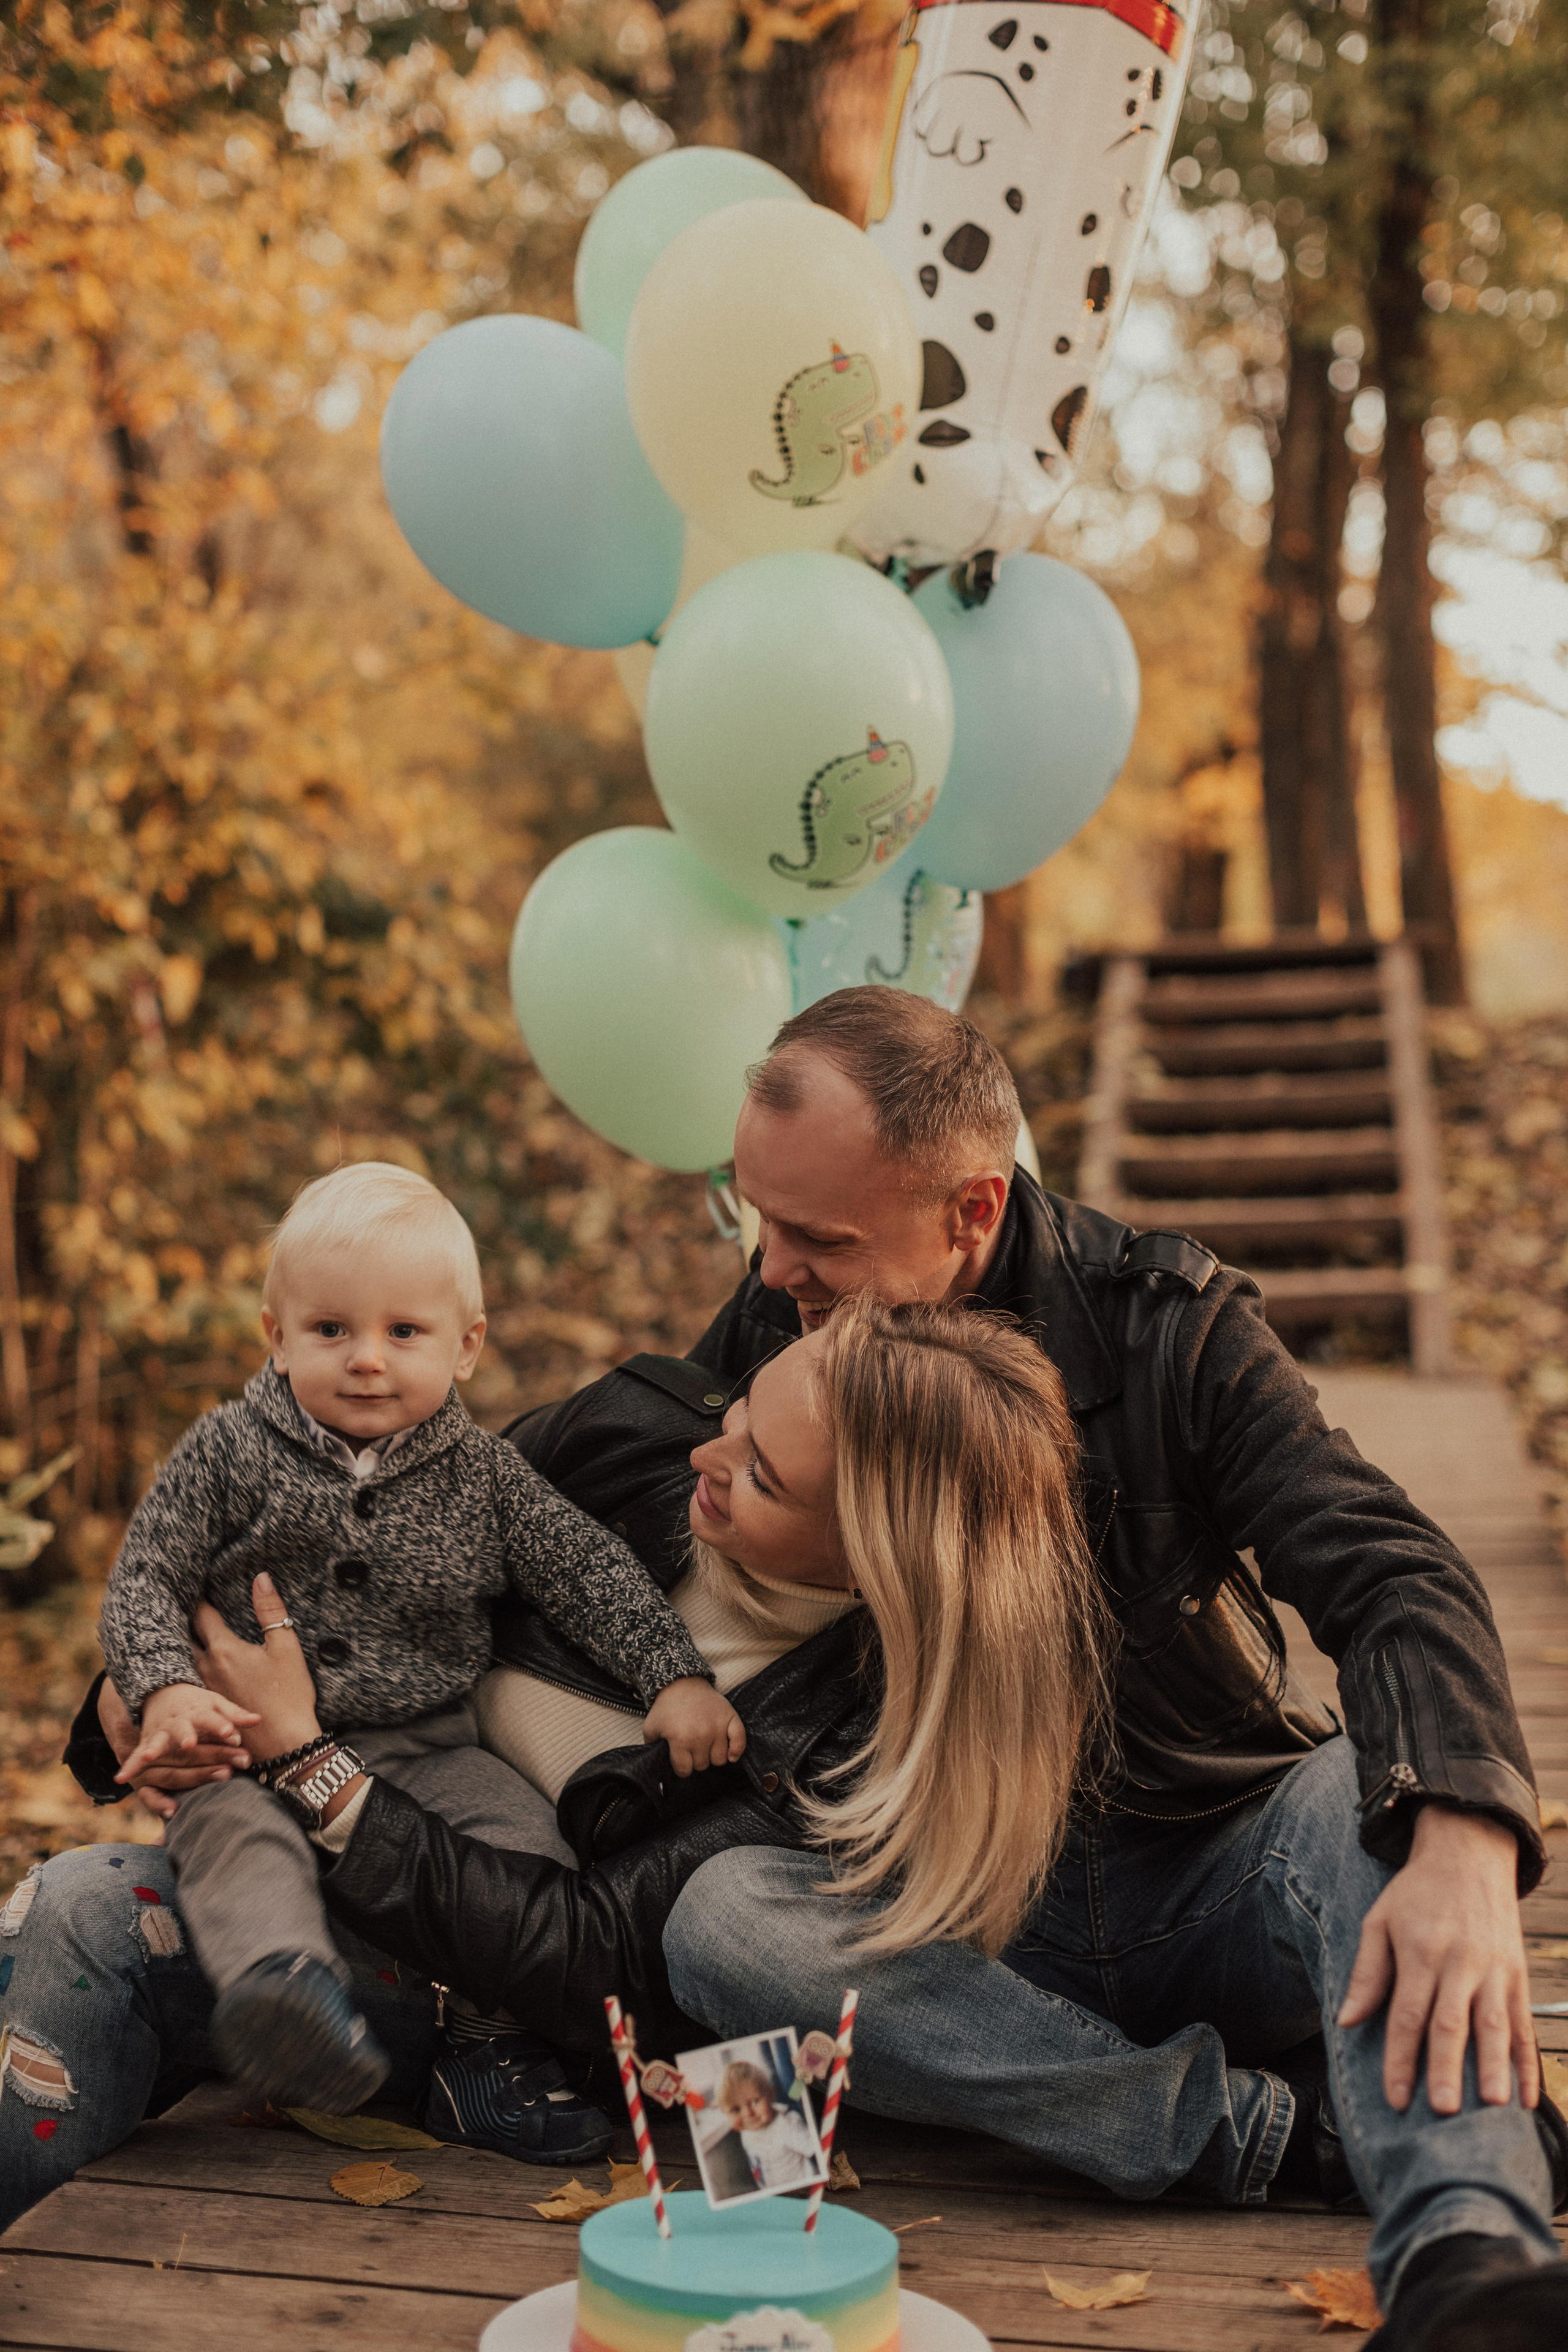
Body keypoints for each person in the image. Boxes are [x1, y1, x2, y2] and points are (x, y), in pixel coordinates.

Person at [657, 987, 1566, 2352]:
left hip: (1216, 1868)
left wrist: (1462, 1841)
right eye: (756, 1219)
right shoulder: (779, 1322)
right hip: (968, 1918)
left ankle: (1466, 2257)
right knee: (723, 1918)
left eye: (818, 1238)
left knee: (1368, 1806)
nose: (770, 1270)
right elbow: (609, 1513)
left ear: (971, 1210)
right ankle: (1254, 2134)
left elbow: (1391, 1571)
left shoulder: (1167, 1327)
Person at [2, 1297, 1101, 2241]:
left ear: (876, 1560)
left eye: (760, 1475)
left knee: (91, 1911)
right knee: (66, 1913)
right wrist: (144, 1700)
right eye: (738, 1412)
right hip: (314, 1887)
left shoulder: (851, 1728)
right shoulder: (633, 1430)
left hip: (558, 2034)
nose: (705, 1457)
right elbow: (319, 1559)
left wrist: (309, 1759)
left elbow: (601, 1965)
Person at [92, 1159, 737, 2136]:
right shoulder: (226, 1453)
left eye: (404, 1332)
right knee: (235, 1834)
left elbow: (587, 1569)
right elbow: (145, 1578)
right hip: (244, 1748)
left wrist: (674, 1673)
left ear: (466, 1347)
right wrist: (165, 1689)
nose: (366, 1359)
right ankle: (287, 1995)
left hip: (430, 1750)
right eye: (330, 1330)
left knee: (526, 1845)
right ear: (276, 1336)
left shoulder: (485, 1477)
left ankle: (487, 2054)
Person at [715, 2059, 821, 2192]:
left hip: (801, 2189)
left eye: (754, 2101)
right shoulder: (746, 2131)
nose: (748, 2114)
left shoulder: (787, 2125)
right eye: (736, 2109)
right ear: (724, 2113)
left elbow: (817, 2151)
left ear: (771, 2095)